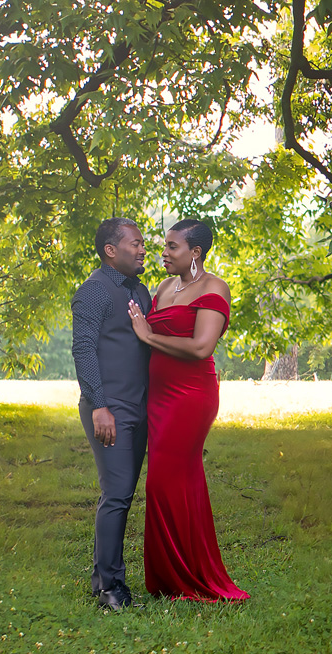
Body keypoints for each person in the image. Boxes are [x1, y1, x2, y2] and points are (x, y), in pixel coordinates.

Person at [128, 217, 249, 602]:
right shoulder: (163, 287)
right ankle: (170, 576)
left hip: (190, 396)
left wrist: (148, 335)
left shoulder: (215, 288)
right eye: (163, 246)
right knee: (178, 479)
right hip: (159, 396)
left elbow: (201, 348)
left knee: (164, 479)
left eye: (172, 247)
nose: (162, 253)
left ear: (195, 252)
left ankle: (187, 577)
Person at [71, 218, 151, 611]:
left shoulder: (140, 289)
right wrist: (99, 405)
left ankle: (101, 576)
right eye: (135, 244)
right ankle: (111, 590)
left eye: (143, 243)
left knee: (124, 494)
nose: (142, 249)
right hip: (109, 407)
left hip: (139, 406)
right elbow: (83, 350)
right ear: (110, 250)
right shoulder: (93, 292)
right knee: (117, 494)